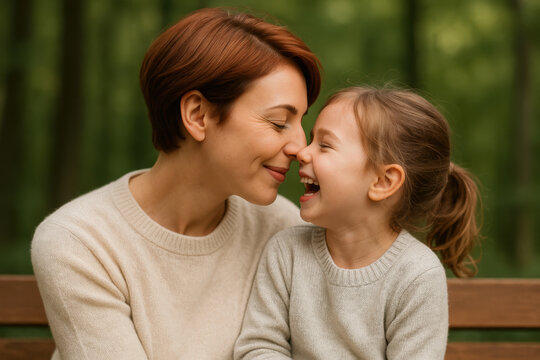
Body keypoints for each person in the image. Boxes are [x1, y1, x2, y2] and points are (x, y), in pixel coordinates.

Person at [31, 8, 321, 359]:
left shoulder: (282, 228)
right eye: (278, 122)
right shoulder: (80, 242)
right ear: (198, 115)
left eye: (300, 122)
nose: (300, 147)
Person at [234, 86, 481, 360]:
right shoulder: (286, 252)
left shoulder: (417, 276)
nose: (302, 152)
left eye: (325, 145)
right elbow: (259, 347)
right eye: (313, 139)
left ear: (383, 182)